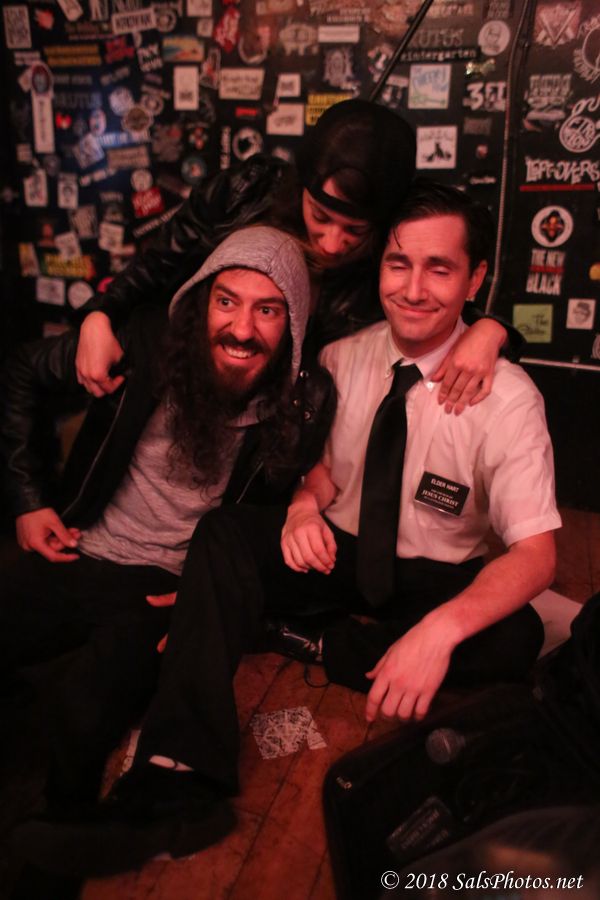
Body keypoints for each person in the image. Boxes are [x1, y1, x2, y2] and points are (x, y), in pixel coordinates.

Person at [12, 182, 560, 879]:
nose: (414, 288)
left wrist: (438, 632)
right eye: (399, 264)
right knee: (224, 533)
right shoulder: (338, 359)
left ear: (475, 281)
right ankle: (178, 781)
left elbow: (537, 556)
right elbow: (320, 470)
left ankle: (307, 640)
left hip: (435, 576)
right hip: (336, 555)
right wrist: (303, 505)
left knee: (519, 635)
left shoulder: (507, 396)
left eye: (440, 268)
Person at [0, 226, 332, 820]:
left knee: (81, 709)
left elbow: (292, 508)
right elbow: (23, 370)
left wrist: (206, 603)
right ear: (202, 302)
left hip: (165, 587)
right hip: (81, 545)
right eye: (227, 301)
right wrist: (28, 500)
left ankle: (59, 846)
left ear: (295, 326)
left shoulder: (303, 403)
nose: (241, 329)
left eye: (268, 311)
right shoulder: (144, 344)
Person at [74, 99, 518, 413]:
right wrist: (99, 314)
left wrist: (492, 331)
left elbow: (437, 301)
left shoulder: (386, 256)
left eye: (355, 230)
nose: (332, 243)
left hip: (280, 430)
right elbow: (157, 265)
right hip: (189, 393)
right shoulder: (243, 192)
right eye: (320, 216)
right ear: (300, 188)